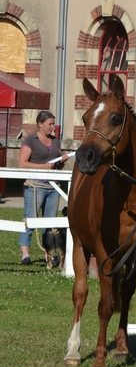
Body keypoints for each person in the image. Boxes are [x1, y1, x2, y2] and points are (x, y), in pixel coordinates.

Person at [18, 111, 69, 266]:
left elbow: (56, 164)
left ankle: (49, 254)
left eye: (53, 124)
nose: (53, 127)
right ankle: (25, 255)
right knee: (30, 219)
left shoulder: (55, 141)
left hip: (53, 186)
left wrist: (62, 160)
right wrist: (43, 167)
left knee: (49, 223)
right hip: (36, 185)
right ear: (40, 124)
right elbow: (22, 163)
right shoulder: (30, 140)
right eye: (50, 124)